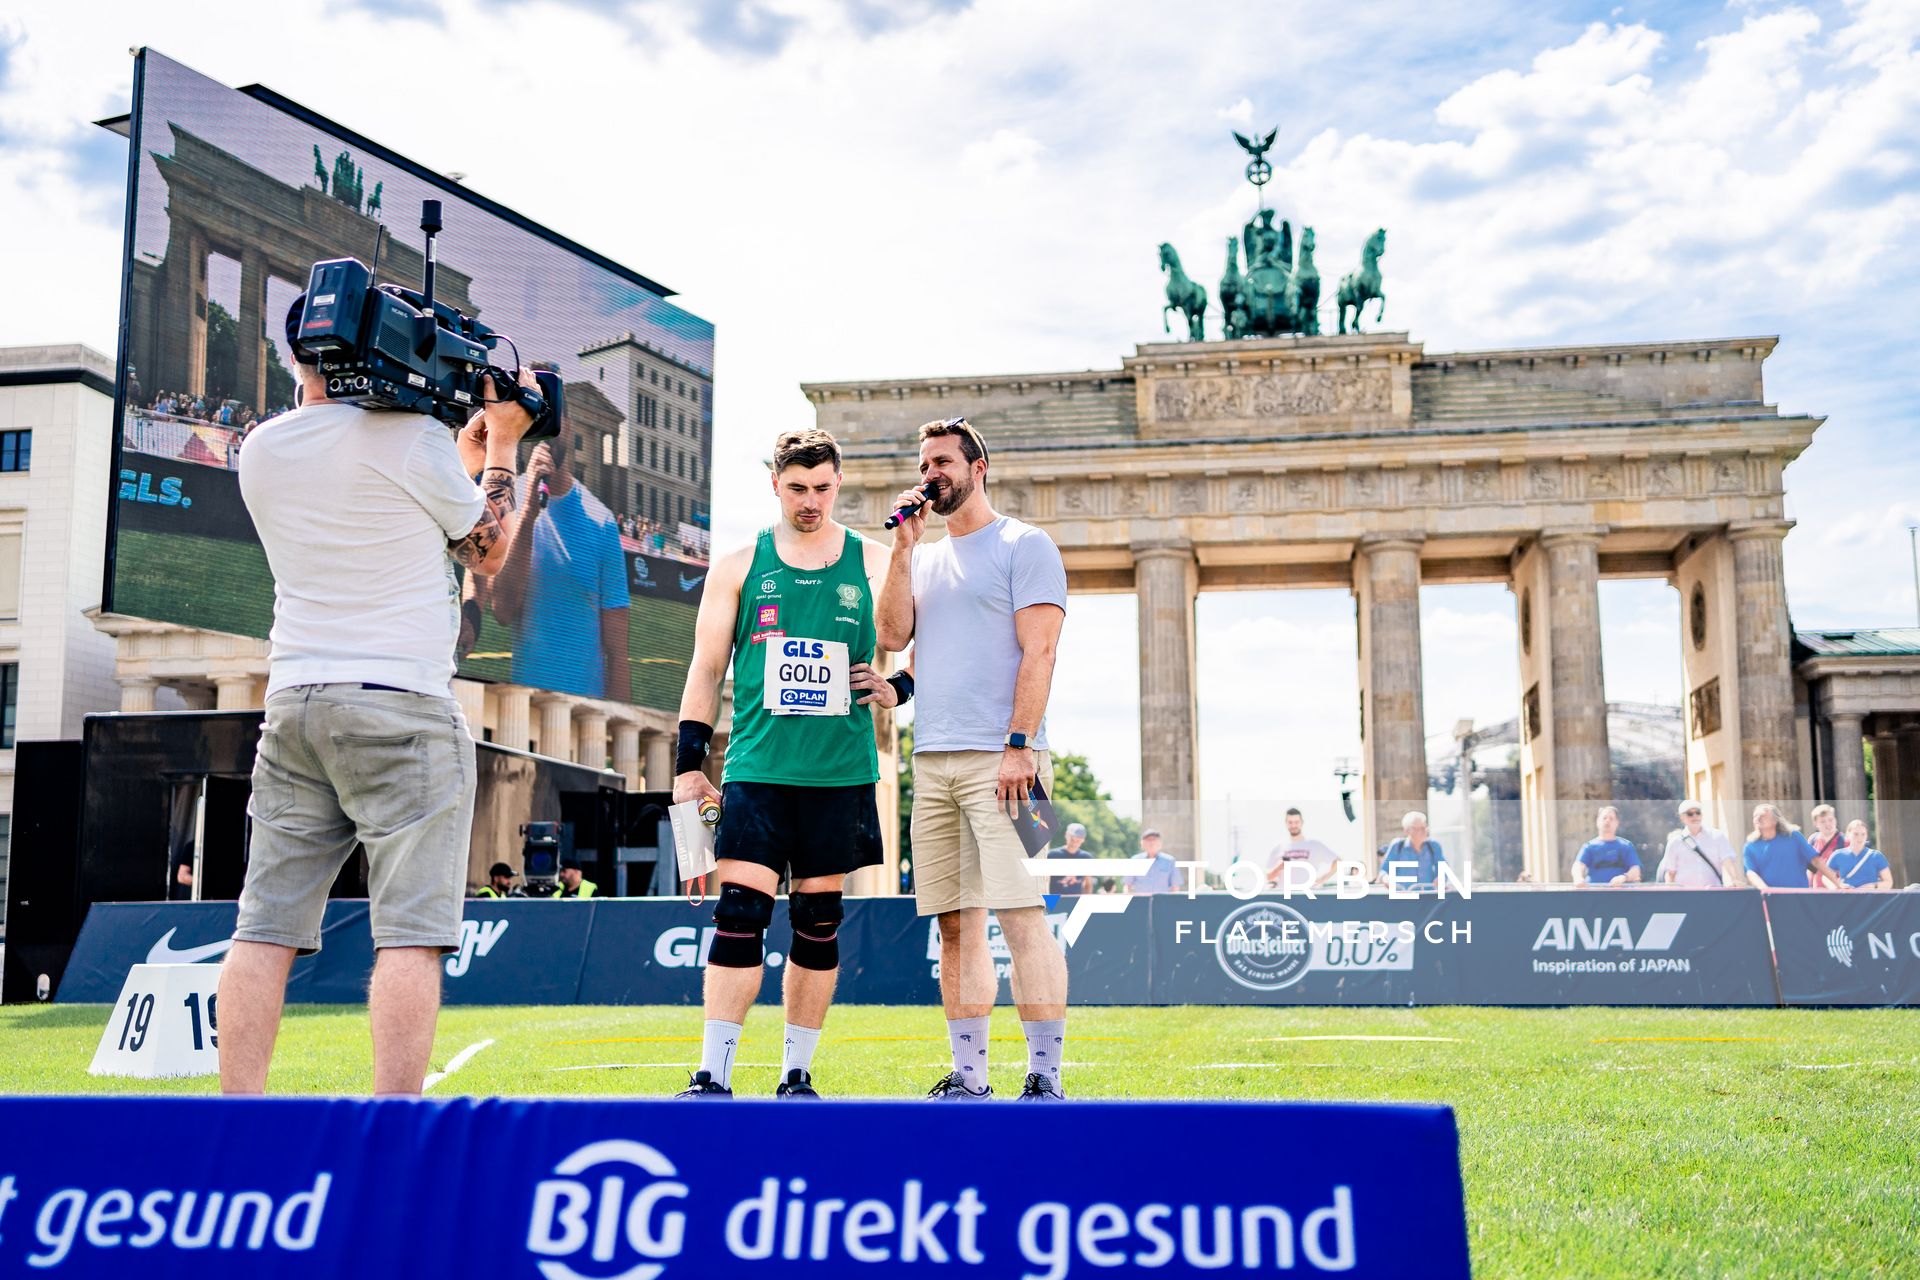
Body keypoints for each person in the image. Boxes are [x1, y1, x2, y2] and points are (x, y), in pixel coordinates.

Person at [217, 305, 533, 1097]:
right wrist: (500, 445)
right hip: (400, 703)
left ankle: (236, 1117)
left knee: (263, 928)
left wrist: (451, 448)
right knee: (411, 935)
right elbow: (487, 551)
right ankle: (393, 1120)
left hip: (294, 699)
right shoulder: (412, 441)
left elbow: (383, 496)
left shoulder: (263, 446)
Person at [673, 428, 895, 1100]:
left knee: (818, 924)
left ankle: (796, 1073)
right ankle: (713, 1072)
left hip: (837, 774)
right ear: (775, 483)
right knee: (739, 914)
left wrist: (895, 686)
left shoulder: (875, 562)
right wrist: (688, 764)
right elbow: (706, 667)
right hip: (758, 770)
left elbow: (920, 643)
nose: (810, 501)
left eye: (823, 488)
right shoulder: (741, 565)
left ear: (838, 483)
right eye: (797, 487)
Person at [877, 415, 1071, 1102]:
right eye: (924, 464)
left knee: (1022, 916)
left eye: (943, 463)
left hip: (1010, 759)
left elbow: (1040, 651)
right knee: (956, 928)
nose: (931, 475)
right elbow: (894, 636)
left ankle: (1044, 1074)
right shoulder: (923, 557)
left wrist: (1020, 746)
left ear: (977, 467)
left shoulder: (1025, 544)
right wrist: (902, 551)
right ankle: (970, 1077)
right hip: (933, 762)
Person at [489, 370, 632, 701]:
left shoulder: (602, 521)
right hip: (521, 707)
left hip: (584, 715)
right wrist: (527, 512)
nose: (546, 431)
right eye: (534, 417)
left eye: (552, 418)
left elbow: (617, 647)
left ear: (568, 425)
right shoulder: (507, 503)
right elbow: (503, 611)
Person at [1742, 804, 1845, 890]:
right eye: (1755, 815)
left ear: (1775, 820)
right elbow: (1751, 873)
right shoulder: (1750, 847)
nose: (1758, 818)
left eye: (1763, 815)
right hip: (1771, 899)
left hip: (1799, 897)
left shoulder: (1793, 837)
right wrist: (1766, 890)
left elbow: (1816, 861)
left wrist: (1838, 884)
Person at [1657, 800, 1738, 887]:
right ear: (1682, 817)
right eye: (1690, 814)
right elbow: (1670, 872)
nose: (1695, 816)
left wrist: (1735, 879)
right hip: (1684, 895)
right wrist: (1670, 892)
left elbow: (1727, 861)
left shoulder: (1717, 836)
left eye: (1698, 813)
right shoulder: (1675, 842)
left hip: (1712, 893)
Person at [1264, 807, 1339, 889]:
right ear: (1286, 823)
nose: (1293, 825)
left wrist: (1323, 879)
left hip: (1308, 896)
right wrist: (1278, 867)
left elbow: (1338, 862)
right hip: (1284, 897)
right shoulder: (1279, 848)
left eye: (1296, 822)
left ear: (1302, 823)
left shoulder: (1314, 845)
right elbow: (1268, 877)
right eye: (1290, 822)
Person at [1572, 806, 1642, 885]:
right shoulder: (1589, 847)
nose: (1607, 821)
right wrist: (1578, 878)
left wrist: (1623, 877)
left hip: (1621, 894)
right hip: (1594, 894)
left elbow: (1636, 870)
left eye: (1611, 818)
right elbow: (1578, 866)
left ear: (1617, 823)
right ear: (1597, 822)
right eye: (1604, 818)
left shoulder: (1626, 846)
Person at [1377, 811, 1447, 890]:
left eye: (1424, 827)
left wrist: (1441, 878)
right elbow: (1383, 871)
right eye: (1418, 829)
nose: (1423, 831)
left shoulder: (1434, 846)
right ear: (1406, 831)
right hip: (1403, 898)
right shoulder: (1397, 846)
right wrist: (1386, 879)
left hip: (1428, 898)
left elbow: (1444, 870)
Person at [1827, 819, 1893, 890]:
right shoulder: (1838, 855)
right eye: (1856, 834)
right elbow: (1825, 877)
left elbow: (1888, 882)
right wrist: (1837, 886)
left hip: (1871, 898)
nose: (1860, 837)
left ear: (1867, 835)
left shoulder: (1876, 856)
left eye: (1863, 834)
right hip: (1847, 898)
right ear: (1848, 834)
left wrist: (1873, 886)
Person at [1049, 822, 1097, 894]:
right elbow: (1044, 882)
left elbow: (1088, 884)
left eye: (1078, 840)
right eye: (1072, 839)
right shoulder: (1052, 855)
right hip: (1053, 901)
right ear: (1066, 835)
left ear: (1083, 839)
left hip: (1075, 901)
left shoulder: (1086, 858)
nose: (1074, 843)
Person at [1805, 804, 1845, 887]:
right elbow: (1809, 868)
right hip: (1816, 893)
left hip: (1837, 891)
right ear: (1815, 823)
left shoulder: (1845, 842)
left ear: (1835, 819)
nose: (1828, 824)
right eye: (1823, 821)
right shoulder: (1812, 840)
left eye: (1830, 820)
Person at [1131, 829, 1180, 895]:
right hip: (1140, 902)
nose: (1151, 843)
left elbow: (1175, 887)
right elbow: (1127, 885)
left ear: (1160, 843)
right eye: (1148, 840)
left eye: (1154, 840)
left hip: (1162, 902)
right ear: (1142, 843)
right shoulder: (1135, 860)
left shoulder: (1170, 861)